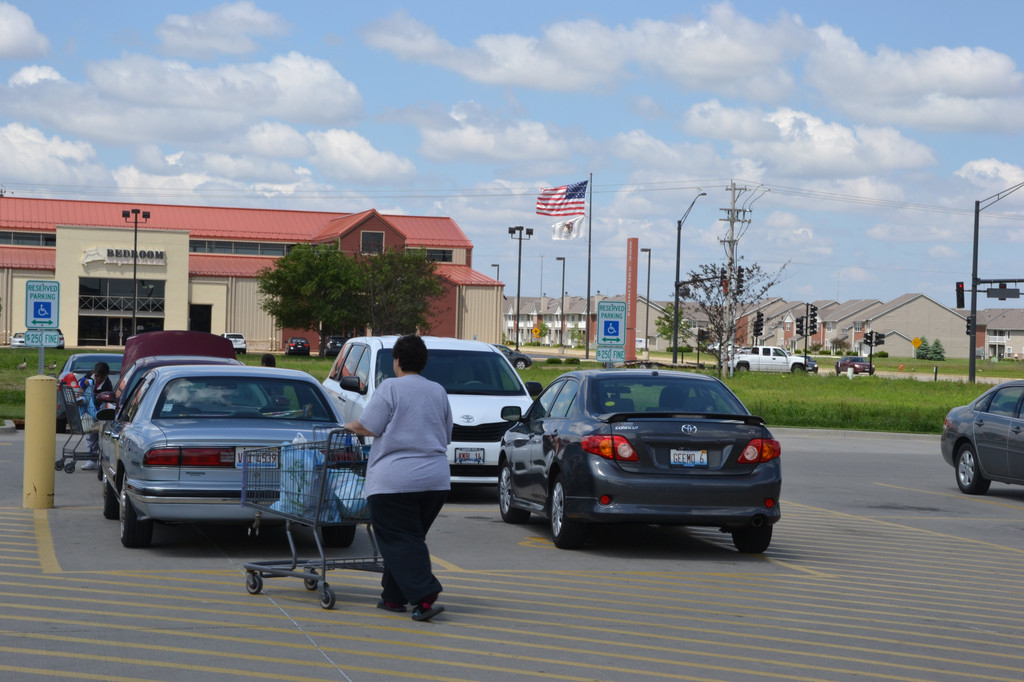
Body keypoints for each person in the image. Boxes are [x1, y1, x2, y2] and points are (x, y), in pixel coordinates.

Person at [343, 334, 452, 622]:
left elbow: (369, 425)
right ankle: (392, 598)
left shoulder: (391, 387)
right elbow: (447, 434)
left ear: (398, 361)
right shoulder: (438, 391)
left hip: (395, 482)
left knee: (400, 540)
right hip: (435, 482)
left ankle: (424, 595)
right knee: (407, 539)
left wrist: (347, 426)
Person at [79, 362, 112, 470]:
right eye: (96, 375)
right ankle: (91, 460)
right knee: (90, 436)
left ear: (105, 376)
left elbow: (105, 400)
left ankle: (99, 458)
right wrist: (85, 383)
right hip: (88, 413)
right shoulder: (89, 376)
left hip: (98, 413)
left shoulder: (107, 385)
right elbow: (81, 384)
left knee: (99, 437)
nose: (98, 379)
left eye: (101, 377)